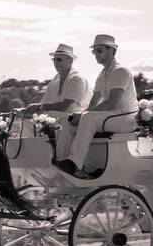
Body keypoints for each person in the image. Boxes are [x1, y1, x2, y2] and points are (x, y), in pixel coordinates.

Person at [57, 34, 138, 178]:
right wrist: (78, 116)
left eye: (99, 51)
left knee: (88, 118)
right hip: (112, 116)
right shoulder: (102, 74)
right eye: (94, 51)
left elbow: (112, 102)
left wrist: (83, 116)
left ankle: (73, 163)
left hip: (126, 118)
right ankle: (63, 163)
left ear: (112, 51)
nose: (95, 55)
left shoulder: (120, 71)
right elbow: (94, 102)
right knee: (67, 121)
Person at [23, 43, 90, 159]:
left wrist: (39, 107)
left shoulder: (77, 78)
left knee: (63, 123)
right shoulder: (54, 80)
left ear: (70, 60)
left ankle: (61, 160)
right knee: (27, 124)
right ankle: (35, 157)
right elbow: (44, 103)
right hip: (55, 117)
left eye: (59, 60)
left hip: (76, 119)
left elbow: (65, 106)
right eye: (54, 60)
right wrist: (26, 110)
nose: (55, 62)